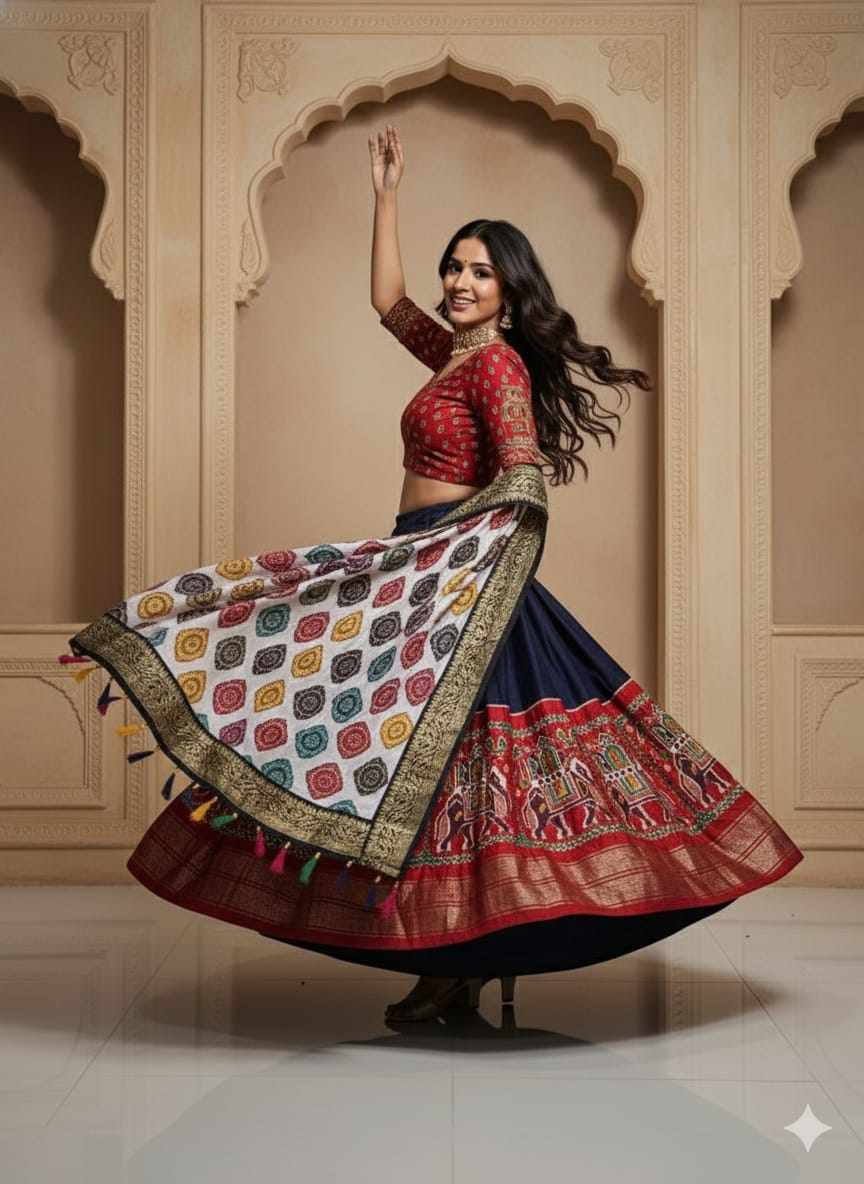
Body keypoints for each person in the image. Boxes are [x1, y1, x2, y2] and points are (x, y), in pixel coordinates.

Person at [63, 124, 804, 1025]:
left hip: (459, 576)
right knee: (398, 759)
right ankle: (448, 964)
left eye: (480, 273)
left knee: (461, 771)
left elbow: (523, 476)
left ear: (509, 295)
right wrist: (385, 197)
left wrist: (456, 554)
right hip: (419, 567)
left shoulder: (496, 366)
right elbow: (388, 302)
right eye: (455, 267)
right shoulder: (454, 353)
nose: (459, 282)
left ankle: (460, 964)